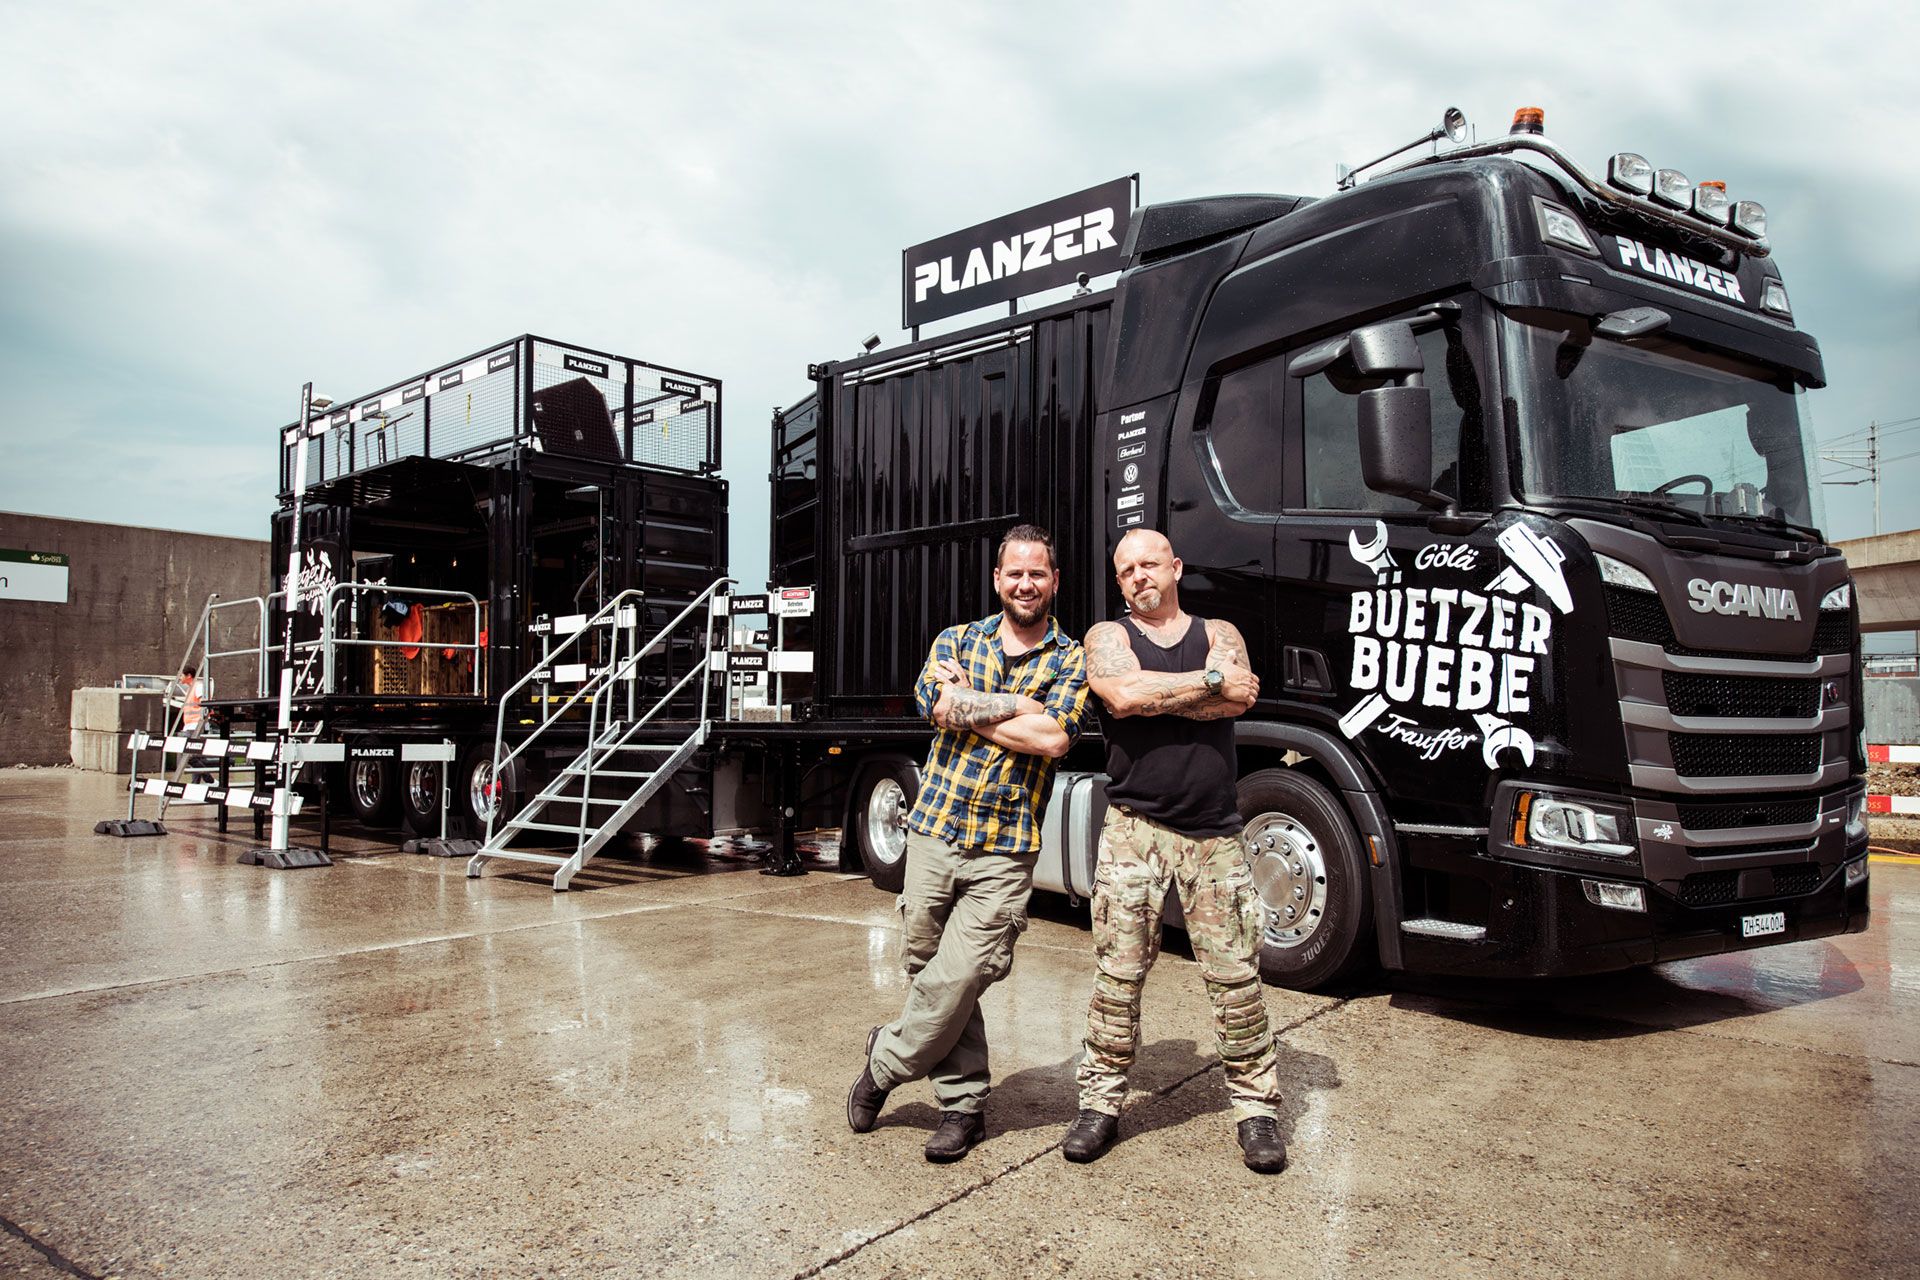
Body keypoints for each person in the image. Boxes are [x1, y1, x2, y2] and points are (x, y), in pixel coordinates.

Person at [847, 524, 1090, 1163]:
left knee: (962, 973)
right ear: (997, 579)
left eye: (1037, 573)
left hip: (1006, 846)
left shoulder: (1070, 658)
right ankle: (963, 1108)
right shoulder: (956, 639)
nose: (1025, 584)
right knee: (930, 971)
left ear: (1054, 581)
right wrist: (1017, 706)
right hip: (933, 831)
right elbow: (937, 705)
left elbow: (1054, 740)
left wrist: (973, 703)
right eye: (1014, 573)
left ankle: (885, 1063)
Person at [1061, 528, 1287, 1173]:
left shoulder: (1221, 629)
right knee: (1118, 976)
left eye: (1149, 563)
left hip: (1214, 837)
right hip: (1134, 831)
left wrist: (1183, 689)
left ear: (1176, 567)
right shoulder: (1107, 638)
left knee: (1236, 978)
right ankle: (1100, 1105)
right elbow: (1124, 697)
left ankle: (1257, 1112)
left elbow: (1241, 695)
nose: (1138, 576)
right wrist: (1207, 685)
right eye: (1126, 569)